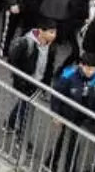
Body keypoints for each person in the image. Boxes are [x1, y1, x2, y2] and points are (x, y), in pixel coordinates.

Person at [47, 53, 95, 172]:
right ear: (81, 65)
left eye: (93, 69)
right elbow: (56, 95)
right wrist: (56, 114)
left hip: (82, 117)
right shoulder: (68, 77)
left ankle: (50, 162)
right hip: (68, 116)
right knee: (73, 150)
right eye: (87, 69)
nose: (90, 72)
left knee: (64, 141)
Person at [4, 20, 58, 148]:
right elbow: (13, 60)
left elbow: (49, 67)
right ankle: (21, 137)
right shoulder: (26, 42)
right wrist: (20, 80)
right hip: (24, 82)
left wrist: (45, 84)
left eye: (55, 32)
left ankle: (10, 124)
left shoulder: (51, 47)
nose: (54, 35)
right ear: (41, 31)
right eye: (51, 32)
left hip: (37, 82)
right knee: (26, 109)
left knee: (23, 105)